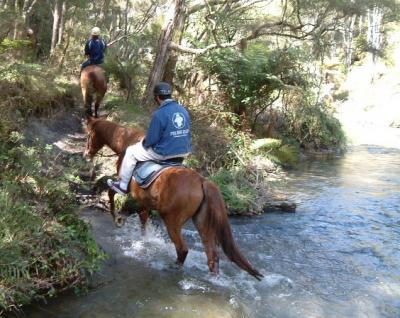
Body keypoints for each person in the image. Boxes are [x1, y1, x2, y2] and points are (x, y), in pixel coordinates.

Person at [107, 82, 192, 195]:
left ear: (157, 97)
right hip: (184, 151)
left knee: (131, 152)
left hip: (165, 153)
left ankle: (122, 185)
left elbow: (151, 140)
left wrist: (144, 143)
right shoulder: (183, 110)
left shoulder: (160, 113)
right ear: (170, 95)